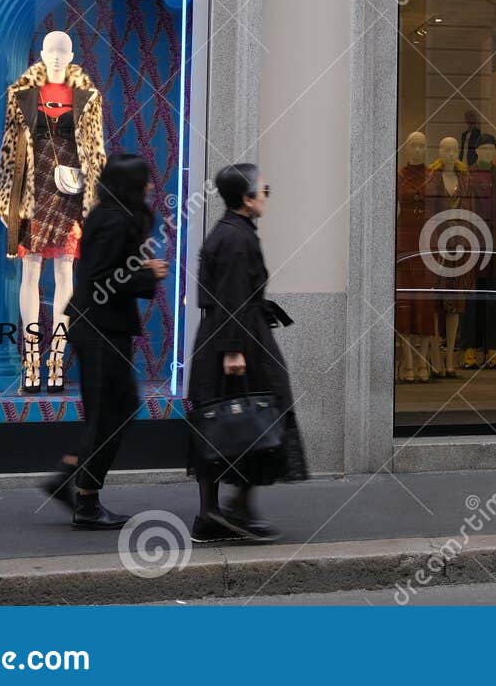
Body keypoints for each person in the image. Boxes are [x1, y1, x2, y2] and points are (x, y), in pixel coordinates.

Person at [41, 153, 168, 529]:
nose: (149, 187)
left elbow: (104, 270)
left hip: (103, 327)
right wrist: (146, 274)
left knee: (118, 410)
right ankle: (86, 502)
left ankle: (68, 478)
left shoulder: (112, 216)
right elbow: (100, 279)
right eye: (143, 180)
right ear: (129, 184)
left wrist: (141, 269)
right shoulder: (113, 220)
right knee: (108, 414)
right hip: (99, 328)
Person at [187, 163, 307, 543]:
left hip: (222, 338)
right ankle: (233, 508)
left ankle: (215, 511)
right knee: (263, 417)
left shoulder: (228, 233)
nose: (266, 196)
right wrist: (235, 351)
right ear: (246, 197)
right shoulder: (238, 239)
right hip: (239, 341)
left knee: (217, 421)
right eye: (263, 190)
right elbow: (234, 297)